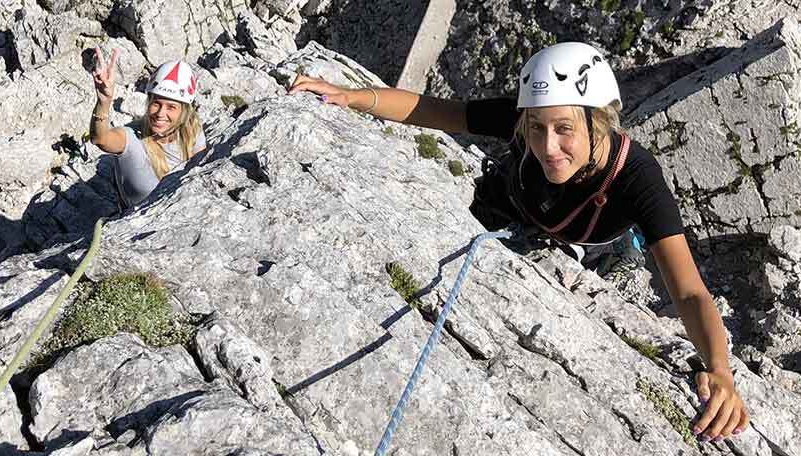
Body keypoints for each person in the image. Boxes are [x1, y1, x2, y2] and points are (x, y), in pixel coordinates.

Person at [289, 41, 749, 442]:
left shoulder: (638, 179)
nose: (548, 146)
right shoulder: (525, 122)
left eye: (565, 129)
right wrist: (350, 97)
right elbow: (437, 110)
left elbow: (688, 291)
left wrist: (721, 372)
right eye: (537, 127)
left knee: (610, 256)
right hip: (511, 208)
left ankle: (614, 258)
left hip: (593, 239)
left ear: (600, 123)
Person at [88, 48, 207, 207]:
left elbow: (199, 176)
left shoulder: (192, 131)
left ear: (183, 112)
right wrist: (104, 101)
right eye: (156, 103)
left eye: (171, 107)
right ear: (148, 102)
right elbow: (100, 139)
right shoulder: (131, 138)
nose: (160, 113)